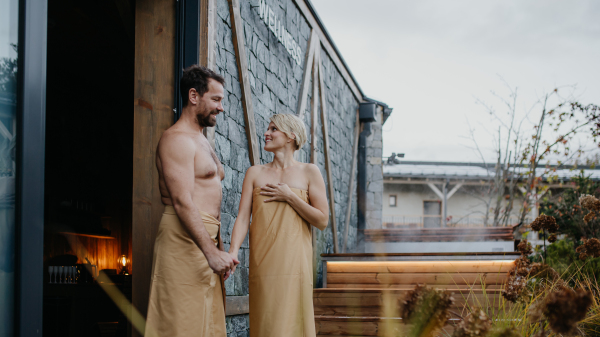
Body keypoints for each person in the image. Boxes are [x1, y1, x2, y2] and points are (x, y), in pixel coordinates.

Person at [145, 65, 239, 337]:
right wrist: (211, 253)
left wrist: (218, 250)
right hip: (182, 240)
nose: (221, 108)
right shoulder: (175, 140)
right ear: (194, 96)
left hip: (204, 240)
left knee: (207, 326)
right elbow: (183, 201)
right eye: (217, 99)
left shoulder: (201, 139)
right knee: (180, 324)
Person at [228, 114, 330, 337]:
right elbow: (243, 218)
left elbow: (322, 220)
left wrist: (290, 196)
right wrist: (233, 252)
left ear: (291, 136)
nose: (267, 133)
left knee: (294, 323)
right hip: (263, 263)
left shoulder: (309, 171)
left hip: (296, 264)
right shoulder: (254, 173)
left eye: (274, 129)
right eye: (268, 128)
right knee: (267, 323)